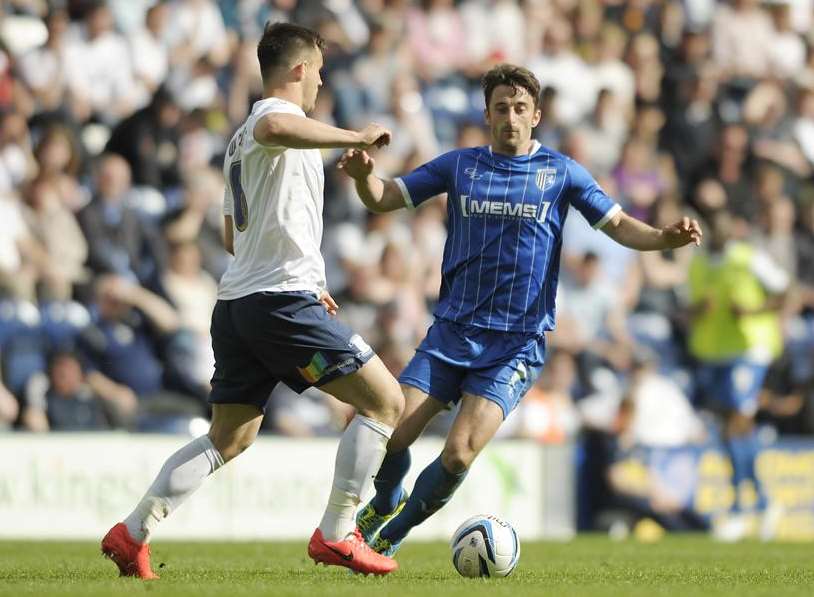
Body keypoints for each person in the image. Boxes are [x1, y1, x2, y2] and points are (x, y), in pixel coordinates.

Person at [338, 63, 702, 556]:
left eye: (520, 108)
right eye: (501, 108)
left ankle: (388, 537)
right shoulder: (459, 166)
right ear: (488, 115)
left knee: (460, 451)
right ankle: (385, 499)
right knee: (391, 433)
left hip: (515, 343)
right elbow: (385, 198)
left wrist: (662, 239)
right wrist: (365, 178)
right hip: (452, 332)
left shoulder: (561, 172)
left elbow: (616, 225)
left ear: (536, 115)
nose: (510, 116)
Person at [100, 22, 404, 578]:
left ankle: (131, 532)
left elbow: (231, 235)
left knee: (229, 437)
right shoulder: (270, 120)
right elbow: (281, 126)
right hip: (277, 303)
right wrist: (357, 136)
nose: (321, 79)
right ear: (298, 70)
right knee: (385, 402)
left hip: (242, 303)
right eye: (317, 69)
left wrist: (307, 276)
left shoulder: (239, 140)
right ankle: (338, 532)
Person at [687, 210, 787, 542]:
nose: (721, 230)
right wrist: (699, 311)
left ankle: (740, 509)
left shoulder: (748, 258)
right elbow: (688, 308)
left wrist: (753, 311)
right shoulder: (699, 263)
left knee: (737, 422)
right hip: (715, 353)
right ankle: (761, 501)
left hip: (750, 349)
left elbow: (786, 291)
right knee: (729, 431)